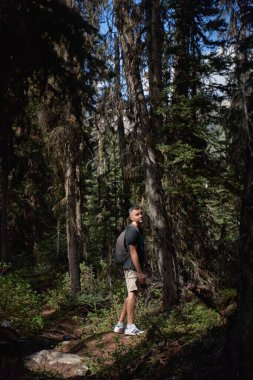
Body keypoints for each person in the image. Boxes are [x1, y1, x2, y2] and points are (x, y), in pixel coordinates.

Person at [114, 206, 146, 336]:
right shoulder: (132, 231)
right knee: (132, 294)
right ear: (131, 217)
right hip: (132, 267)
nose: (140, 216)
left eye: (141, 213)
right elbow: (133, 252)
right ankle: (130, 326)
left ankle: (120, 325)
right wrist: (140, 272)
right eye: (137, 214)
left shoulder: (136, 230)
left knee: (131, 294)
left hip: (132, 267)